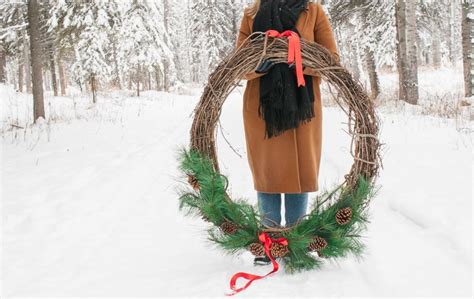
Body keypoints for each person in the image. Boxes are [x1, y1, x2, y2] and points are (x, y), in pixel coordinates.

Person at [235, 0, 340, 265]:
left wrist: (298, 60)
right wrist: (263, 64)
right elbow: (238, 64)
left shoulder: (313, 11)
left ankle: (295, 241)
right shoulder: (252, 14)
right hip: (263, 109)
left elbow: (331, 60)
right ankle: (269, 243)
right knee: (268, 174)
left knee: (298, 172)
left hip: (301, 108)